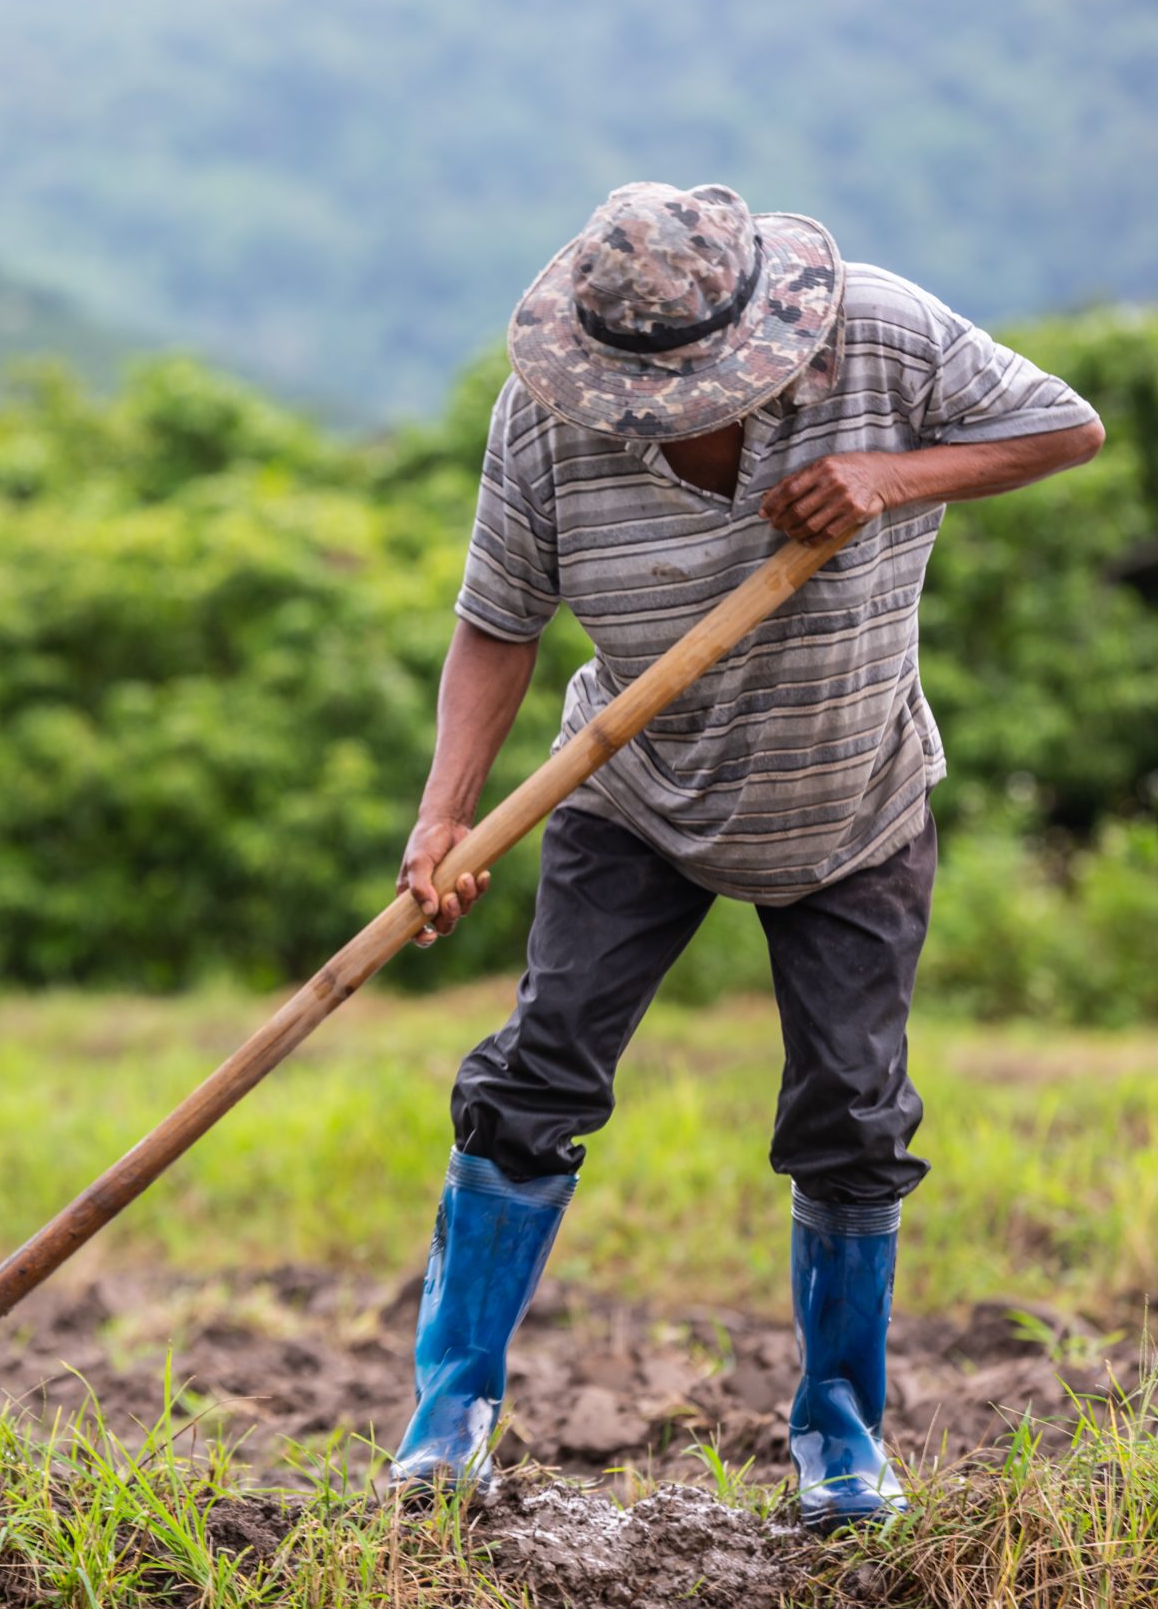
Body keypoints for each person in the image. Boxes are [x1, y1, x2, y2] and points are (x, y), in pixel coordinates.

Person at [392, 182, 1105, 1530]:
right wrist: (446, 817)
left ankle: (841, 1441)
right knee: (535, 1078)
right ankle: (448, 1424)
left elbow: (1065, 427)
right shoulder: (548, 420)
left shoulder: (883, 336)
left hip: (853, 799)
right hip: (632, 785)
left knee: (850, 1113)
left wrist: (891, 476)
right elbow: (498, 622)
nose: (661, 415)